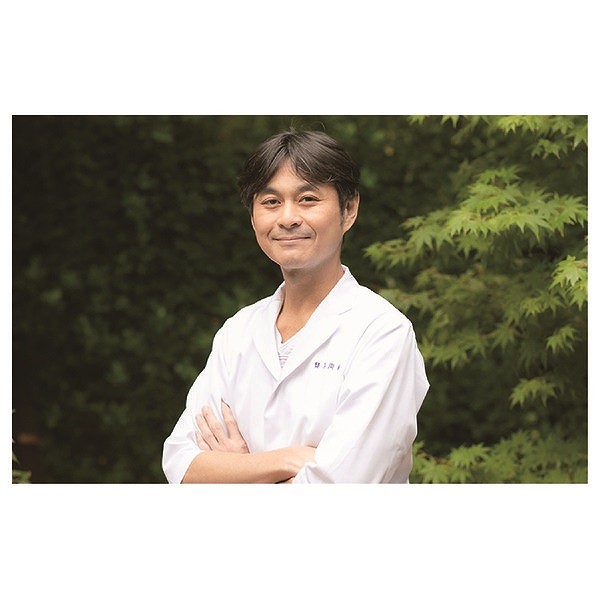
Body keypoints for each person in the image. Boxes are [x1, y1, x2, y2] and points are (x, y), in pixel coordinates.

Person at [162, 128, 429, 484]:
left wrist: (236, 472)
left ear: (349, 210)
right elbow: (181, 465)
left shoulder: (381, 333)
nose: (288, 218)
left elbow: (339, 487)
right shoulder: (238, 331)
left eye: (307, 199)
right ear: (252, 216)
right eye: (271, 202)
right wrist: (286, 461)